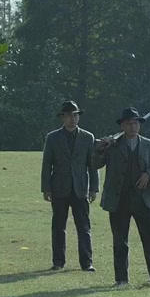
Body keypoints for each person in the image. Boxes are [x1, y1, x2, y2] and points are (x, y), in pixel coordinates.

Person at [93, 107, 150, 287]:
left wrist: (148, 174)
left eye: (135, 123)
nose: (133, 126)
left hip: (143, 199)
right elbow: (95, 164)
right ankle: (121, 279)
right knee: (120, 241)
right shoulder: (112, 145)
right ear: (122, 126)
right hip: (118, 199)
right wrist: (100, 149)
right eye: (128, 123)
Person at [40, 100, 100, 271]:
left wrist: (94, 188)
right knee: (58, 227)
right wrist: (46, 188)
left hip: (80, 188)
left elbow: (92, 165)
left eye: (75, 115)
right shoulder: (52, 137)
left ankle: (87, 262)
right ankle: (58, 262)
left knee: (84, 227)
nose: (73, 119)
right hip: (59, 187)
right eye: (69, 116)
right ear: (62, 118)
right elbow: (47, 164)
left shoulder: (88, 137)